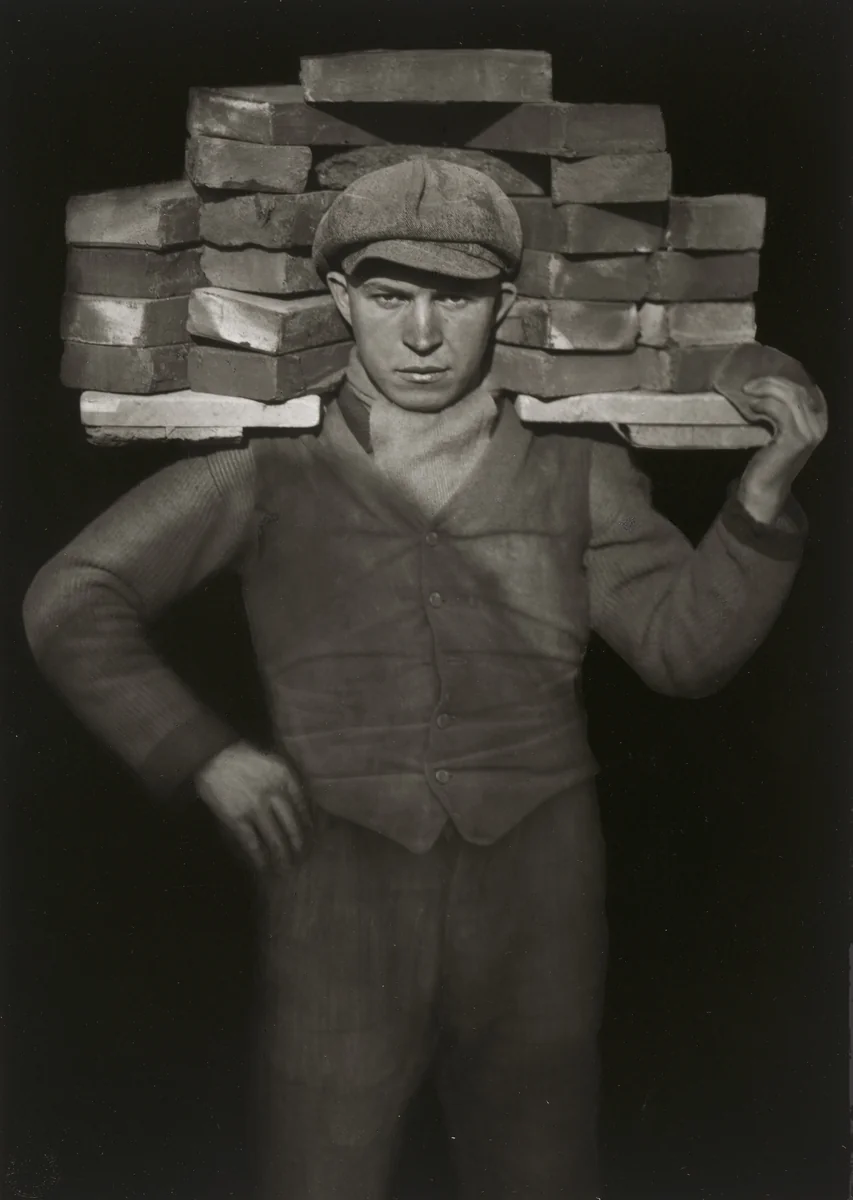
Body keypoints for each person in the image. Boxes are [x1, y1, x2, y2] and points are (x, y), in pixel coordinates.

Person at [23, 159, 827, 1200]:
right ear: (340, 298)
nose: (419, 335)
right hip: (337, 887)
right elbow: (71, 596)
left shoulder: (578, 470)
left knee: (538, 1175)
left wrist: (759, 499)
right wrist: (203, 754)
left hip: (536, 890)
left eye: (454, 300)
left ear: (504, 305)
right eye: (390, 296)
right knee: (320, 1174)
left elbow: (685, 652)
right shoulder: (267, 466)